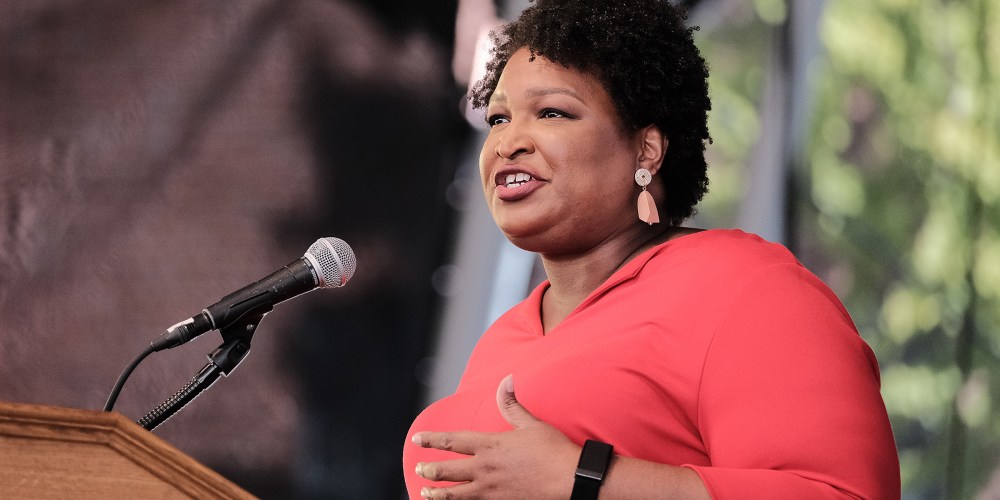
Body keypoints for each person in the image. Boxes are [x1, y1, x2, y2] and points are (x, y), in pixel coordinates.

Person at [403, 0, 900, 498]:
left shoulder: (746, 288)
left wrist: (584, 478)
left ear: (647, 150)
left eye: (552, 112)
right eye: (498, 119)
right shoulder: (501, 340)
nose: (508, 142)